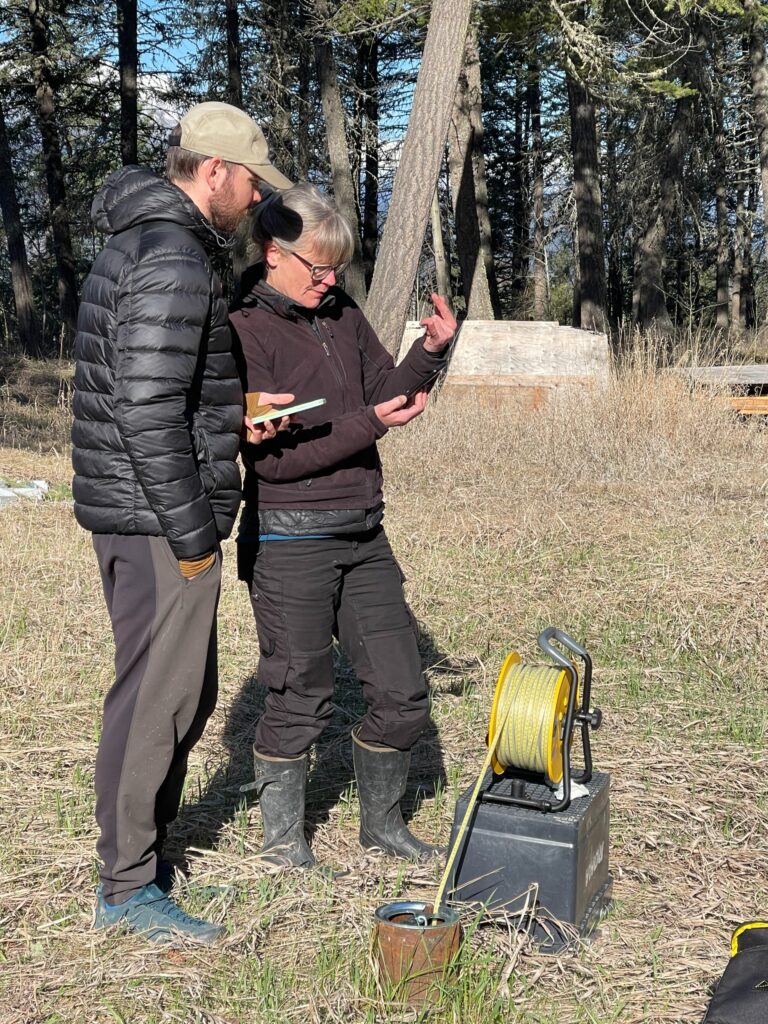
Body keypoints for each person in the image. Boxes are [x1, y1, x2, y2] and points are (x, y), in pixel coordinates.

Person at [71, 101, 294, 944]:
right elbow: (144, 405)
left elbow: (164, 379)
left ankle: (143, 858)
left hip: (142, 504)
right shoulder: (174, 253)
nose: (254, 200)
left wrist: (234, 406)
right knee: (158, 698)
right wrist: (193, 532)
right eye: (249, 182)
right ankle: (128, 888)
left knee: (178, 693)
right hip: (157, 514)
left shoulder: (154, 241)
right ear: (214, 173)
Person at [229, 184, 457, 870]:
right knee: (300, 698)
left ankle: (382, 828)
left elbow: (388, 391)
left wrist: (431, 353)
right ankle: (281, 845)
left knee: (403, 695)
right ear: (274, 255)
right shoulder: (243, 330)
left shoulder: (342, 313)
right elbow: (273, 459)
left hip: (364, 534)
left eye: (336, 270)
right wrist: (368, 424)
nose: (329, 282)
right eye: (316, 269)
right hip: (290, 541)